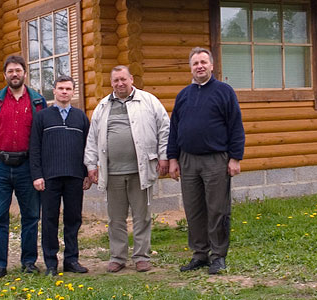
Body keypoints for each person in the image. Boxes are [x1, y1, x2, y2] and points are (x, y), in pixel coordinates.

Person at [84, 65, 170, 273]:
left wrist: (164, 156)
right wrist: (90, 165)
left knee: (142, 216)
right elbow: (92, 138)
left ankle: (141, 256)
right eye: (116, 81)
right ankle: (118, 256)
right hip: (112, 172)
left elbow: (164, 129)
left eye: (123, 79)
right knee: (115, 218)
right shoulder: (103, 106)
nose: (120, 83)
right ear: (111, 83)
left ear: (131, 79)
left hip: (140, 170)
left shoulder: (148, 101)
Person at [167, 47, 245, 275]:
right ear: (190, 67)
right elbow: (174, 129)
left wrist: (235, 158)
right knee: (194, 210)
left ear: (212, 65)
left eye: (203, 62)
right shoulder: (183, 95)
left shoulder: (224, 91)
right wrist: (173, 158)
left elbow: (236, 127)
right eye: (195, 63)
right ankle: (199, 254)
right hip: (188, 160)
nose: (199, 66)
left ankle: (218, 256)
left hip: (216, 160)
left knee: (217, 209)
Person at [0, 55, 47, 279]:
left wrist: (41, 169)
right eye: (11, 71)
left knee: (31, 216)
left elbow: (43, 137)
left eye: (18, 70)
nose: (15, 74)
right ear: (5, 75)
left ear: (25, 73)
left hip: (27, 168)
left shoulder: (37, 102)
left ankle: (29, 262)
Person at [30, 75, 91, 276]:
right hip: (49, 178)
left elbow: (87, 148)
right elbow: (35, 148)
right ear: (54, 91)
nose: (64, 92)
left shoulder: (80, 117)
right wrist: (37, 175)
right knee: (49, 220)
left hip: (74, 176)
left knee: (73, 219)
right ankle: (50, 263)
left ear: (73, 92)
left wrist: (86, 173)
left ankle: (72, 260)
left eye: (68, 89)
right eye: (60, 88)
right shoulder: (42, 117)